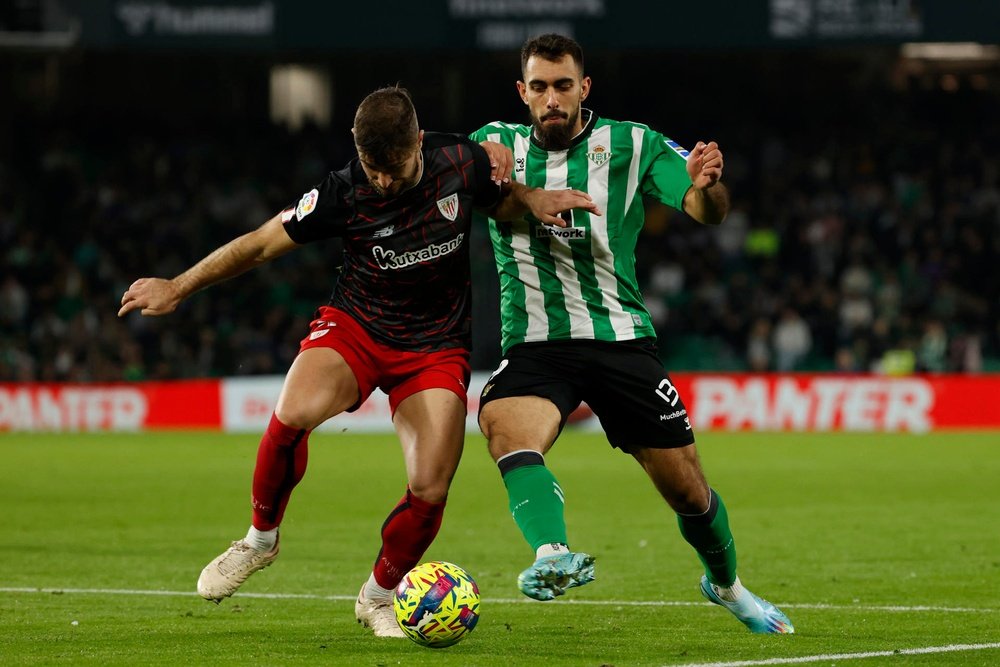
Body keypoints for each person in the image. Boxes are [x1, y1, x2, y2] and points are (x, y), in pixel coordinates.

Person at [118, 86, 597, 637]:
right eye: (374, 169)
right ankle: (259, 540)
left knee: (431, 486)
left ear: (419, 141)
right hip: (357, 328)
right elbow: (257, 245)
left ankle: (379, 594)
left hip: (435, 347)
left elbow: (499, 199)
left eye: (394, 169)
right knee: (292, 411)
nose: (385, 182)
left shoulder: (461, 160)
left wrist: (531, 197)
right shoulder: (342, 192)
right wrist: (178, 286)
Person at [470, 34, 795, 634]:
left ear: (583, 87)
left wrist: (704, 183)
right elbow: (468, 191)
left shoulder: (634, 142)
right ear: (522, 92)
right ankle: (550, 555)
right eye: (538, 87)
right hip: (537, 344)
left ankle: (726, 584)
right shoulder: (493, 146)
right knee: (504, 427)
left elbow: (707, 210)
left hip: (621, 339)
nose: (551, 100)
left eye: (562, 86)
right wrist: (519, 192)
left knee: (688, 492)